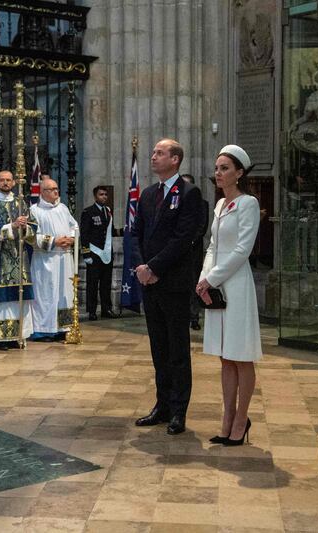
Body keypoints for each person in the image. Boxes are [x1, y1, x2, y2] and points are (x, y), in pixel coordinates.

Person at [132, 138, 203, 435]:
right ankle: (161, 405)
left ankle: (178, 410)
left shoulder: (189, 193)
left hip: (172, 282)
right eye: (153, 152)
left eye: (160, 153)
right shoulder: (148, 194)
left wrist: (155, 268)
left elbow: (184, 238)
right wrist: (141, 268)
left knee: (177, 349)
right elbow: (136, 233)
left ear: (175, 159)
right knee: (158, 348)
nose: (153, 156)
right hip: (150, 282)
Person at [195, 145, 261, 446]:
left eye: (224, 168)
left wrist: (214, 278)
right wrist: (203, 280)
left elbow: (241, 250)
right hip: (216, 283)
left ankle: (240, 419)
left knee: (240, 355)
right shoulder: (220, 205)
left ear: (239, 173)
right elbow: (212, 246)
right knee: (225, 356)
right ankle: (227, 415)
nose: (218, 173)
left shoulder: (248, 204)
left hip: (236, 284)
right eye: (217, 168)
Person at [0, 169, 37, 350]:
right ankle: (1, 338)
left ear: (13, 183)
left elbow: (33, 227)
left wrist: (26, 227)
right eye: (2, 180)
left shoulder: (20, 203)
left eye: (8, 180)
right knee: (2, 300)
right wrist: (11, 226)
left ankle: (18, 335)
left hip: (19, 259)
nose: (5, 183)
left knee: (16, 299)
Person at [29, 178, 78, 342]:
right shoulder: (34, 211)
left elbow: (74, 226)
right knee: (46, 295)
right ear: (43, 192)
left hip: (64, 258)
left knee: (64, 293)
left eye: (57, 188)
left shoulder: (63, 208)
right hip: (45, 260)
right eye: (52, 189)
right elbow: (30, 236)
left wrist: (71, 238)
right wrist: (54, 241)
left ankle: (63, 327)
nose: (56, 192)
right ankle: (43, 330)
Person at [80, 186, 120, 320]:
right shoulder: (88, 212)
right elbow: (84, 235)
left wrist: (123, 231)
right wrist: (86, 254)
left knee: (106, 283)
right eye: (101, 194)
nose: (104, 197)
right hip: (94, 253)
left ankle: (106, 309)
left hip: (107, 254)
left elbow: (110, 231)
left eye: (105, 195)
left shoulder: (108, 211)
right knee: (92, 284)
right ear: (95, 196)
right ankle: (91, 311)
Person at [180, 174, 209, 330]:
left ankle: (194, 317)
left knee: (193, 284)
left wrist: (187, 242)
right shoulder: (174, 202)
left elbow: (202, 227)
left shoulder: (202, 204)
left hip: (192, 250)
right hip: (177, 252)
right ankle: (180, 316)